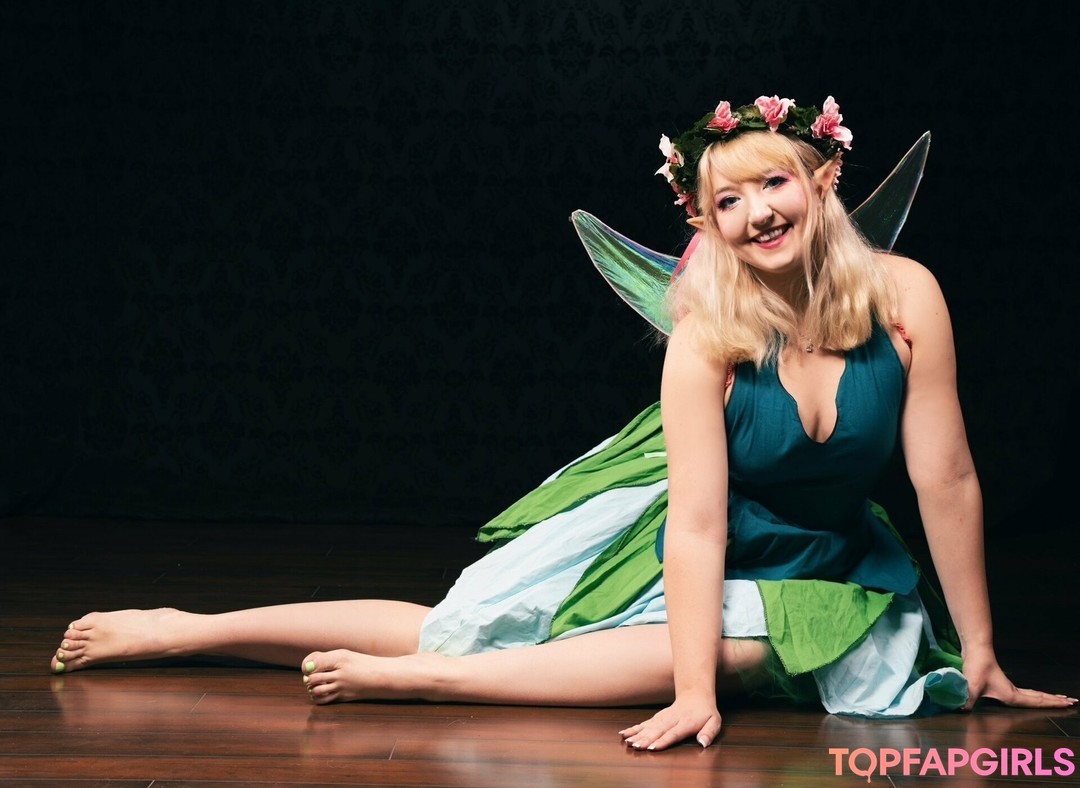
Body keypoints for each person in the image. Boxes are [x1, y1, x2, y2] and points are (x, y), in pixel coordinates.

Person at [49, 94, 1075, 751]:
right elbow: (698, 527)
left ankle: (431, 686)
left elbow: (945, 477)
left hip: (833, 560)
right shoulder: (706, 338)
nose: (758, 213)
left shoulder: (907, 296)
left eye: (774, 183)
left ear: (823, 179)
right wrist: (688, 691)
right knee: (467, 619)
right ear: (703, 223)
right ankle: (193, 629)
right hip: (698, 539)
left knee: (746, 652)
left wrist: (982, 651)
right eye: (727, 201)